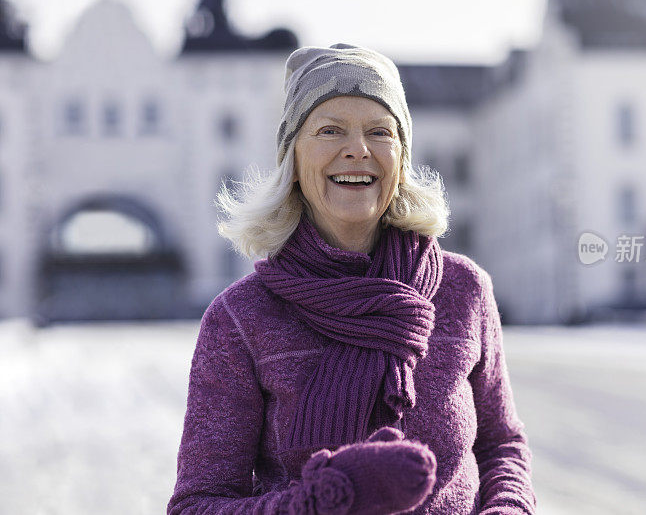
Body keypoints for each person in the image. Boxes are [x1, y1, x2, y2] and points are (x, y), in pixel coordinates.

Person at [167, 42, 537, 515]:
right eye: (330, 130)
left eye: (379, 131)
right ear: (293, 161)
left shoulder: (464, 291)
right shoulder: (241, 318)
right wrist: (318, 502)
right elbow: (197, 505)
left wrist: (507, 510)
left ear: (401, 159)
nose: (357, 149)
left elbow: (501, 445)